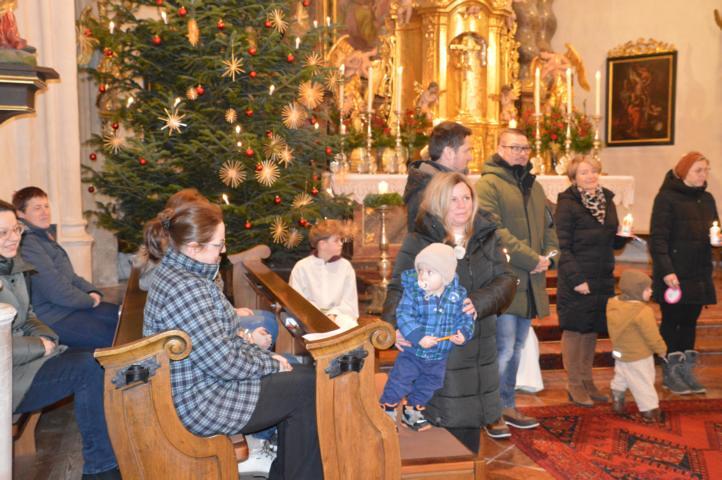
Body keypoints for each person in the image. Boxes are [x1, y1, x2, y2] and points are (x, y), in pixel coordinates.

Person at [142, 202, 322, 479]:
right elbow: (222, 361)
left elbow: (222, 342)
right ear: (193, 247)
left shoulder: (185, 273)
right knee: (308, 387)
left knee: (304, 378)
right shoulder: (187, 288)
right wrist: (270, 364)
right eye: (218, 245)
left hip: (208, 383)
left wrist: (267, 358)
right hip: (201, 401)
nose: (224, 250)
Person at [383, 172, 517, 448]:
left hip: (476, 342)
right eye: (453, 199)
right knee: (442, 427)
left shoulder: (487, 236)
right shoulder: (419, 240)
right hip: (434, 345)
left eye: (466, 197)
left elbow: (506, 280)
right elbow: (398, 287)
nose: (461, 205)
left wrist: (480, 301)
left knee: (470, 423)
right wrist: (393, 328)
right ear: (438, 202)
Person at [2, 199, 119, 480]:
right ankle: (101, 469)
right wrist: (37, 347)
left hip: (24, 362)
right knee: (87, 369)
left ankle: (109, 454)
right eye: (2, 233)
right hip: (7, 377)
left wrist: (46, 338)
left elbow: (29, 315)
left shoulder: (13, 266)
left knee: (94, 358)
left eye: (16, 229)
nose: (13, 237)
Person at [476, 128, 558, 431]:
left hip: (531, 281)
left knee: (517, 348)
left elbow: (549, 228)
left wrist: (549, 257)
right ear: (499, 148)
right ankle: (491, 411)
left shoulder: (534, 186)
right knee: (503, 349)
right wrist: (531, 258)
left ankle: (507, 404)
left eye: (525, 148)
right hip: (504, 278)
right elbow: (494, 231)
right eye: (514, 147)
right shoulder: (488, 184)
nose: (521, 153)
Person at [136, 188, 278, 350]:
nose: (223, 250)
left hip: (208, 326)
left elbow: (211, 310)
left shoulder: (189, 262)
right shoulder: (183, 277)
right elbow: (215, 350)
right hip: (201, 336)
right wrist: (251, 340)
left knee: (266, 319)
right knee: (265, 322)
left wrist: (233, 316)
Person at [554, 156, 628, 406]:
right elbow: (561, 245)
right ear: (573, 178)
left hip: (601, 275)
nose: (590, 176)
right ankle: (574, 383)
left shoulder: (607, 199)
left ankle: (587, 380)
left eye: (594, 171)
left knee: (591, 328)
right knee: (575, 329)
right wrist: (576, 278)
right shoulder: (567, 204)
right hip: (577, 276)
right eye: (584, 172)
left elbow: (611, 240)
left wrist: (623, 236)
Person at [380, 243, 474, 431]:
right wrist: (418, 336)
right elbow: (404, 315)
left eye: (430, 272)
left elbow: (466, 318)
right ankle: (387, 410)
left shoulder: (457, 295)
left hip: (438, 356)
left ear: (445, 276)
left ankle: (412, 411)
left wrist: (463, 333)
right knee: (400, 381)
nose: (423, 276)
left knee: (429, 385)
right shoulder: (413, 292)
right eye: (421, 270)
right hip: (412, 353)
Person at [12, 187, 119, 349]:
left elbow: (70, 276)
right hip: (52, 317)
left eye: (46, 206)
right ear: (20, 214)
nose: (45, 212)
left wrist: (92, 291)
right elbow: (55, 289)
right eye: (37, 208)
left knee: (121, 317)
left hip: (67, 308)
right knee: (114, 339)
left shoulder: (42, 236)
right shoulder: (27, 243)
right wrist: (89, 301)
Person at [650, 151, 717, 395]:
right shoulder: (666, 198)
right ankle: (670, 373)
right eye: (698, 170)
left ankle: (686, 371)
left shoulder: (707, 199)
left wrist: (716, 239)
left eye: (706, 170)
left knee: (690, 321)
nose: (703, 175)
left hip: (698, 272)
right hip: (674, 273)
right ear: (684, 171)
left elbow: (715, 228)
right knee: (672, 321)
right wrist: (667, 271)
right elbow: (658, 239)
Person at [607, 269, 667, 422]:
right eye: (647, 289)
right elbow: (652, 335)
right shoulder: (643, 311)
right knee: (643, 381)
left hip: (621, 352)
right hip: (639, 355)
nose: (651, 291)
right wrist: (661, 349)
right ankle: (650, 411)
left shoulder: (613, 305)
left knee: (622, 374)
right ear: (637, 291)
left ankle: (617, 400)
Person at [403, 121, 473, 231]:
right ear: (449, 153)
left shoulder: (446, 182)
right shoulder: (425, 190)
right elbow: (434, 236)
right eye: (466, 151)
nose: (470, 157)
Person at [289, 219, 359, 328]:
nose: (341, 243)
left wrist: (333, 315)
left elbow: (349, 302)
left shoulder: (346, 267)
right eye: (336, 240)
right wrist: (319, 316)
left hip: (339, 317)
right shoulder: (302, 267)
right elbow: (297, 301)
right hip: (310, 318)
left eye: (341, 240)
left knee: (350, 327)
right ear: (322, 244)